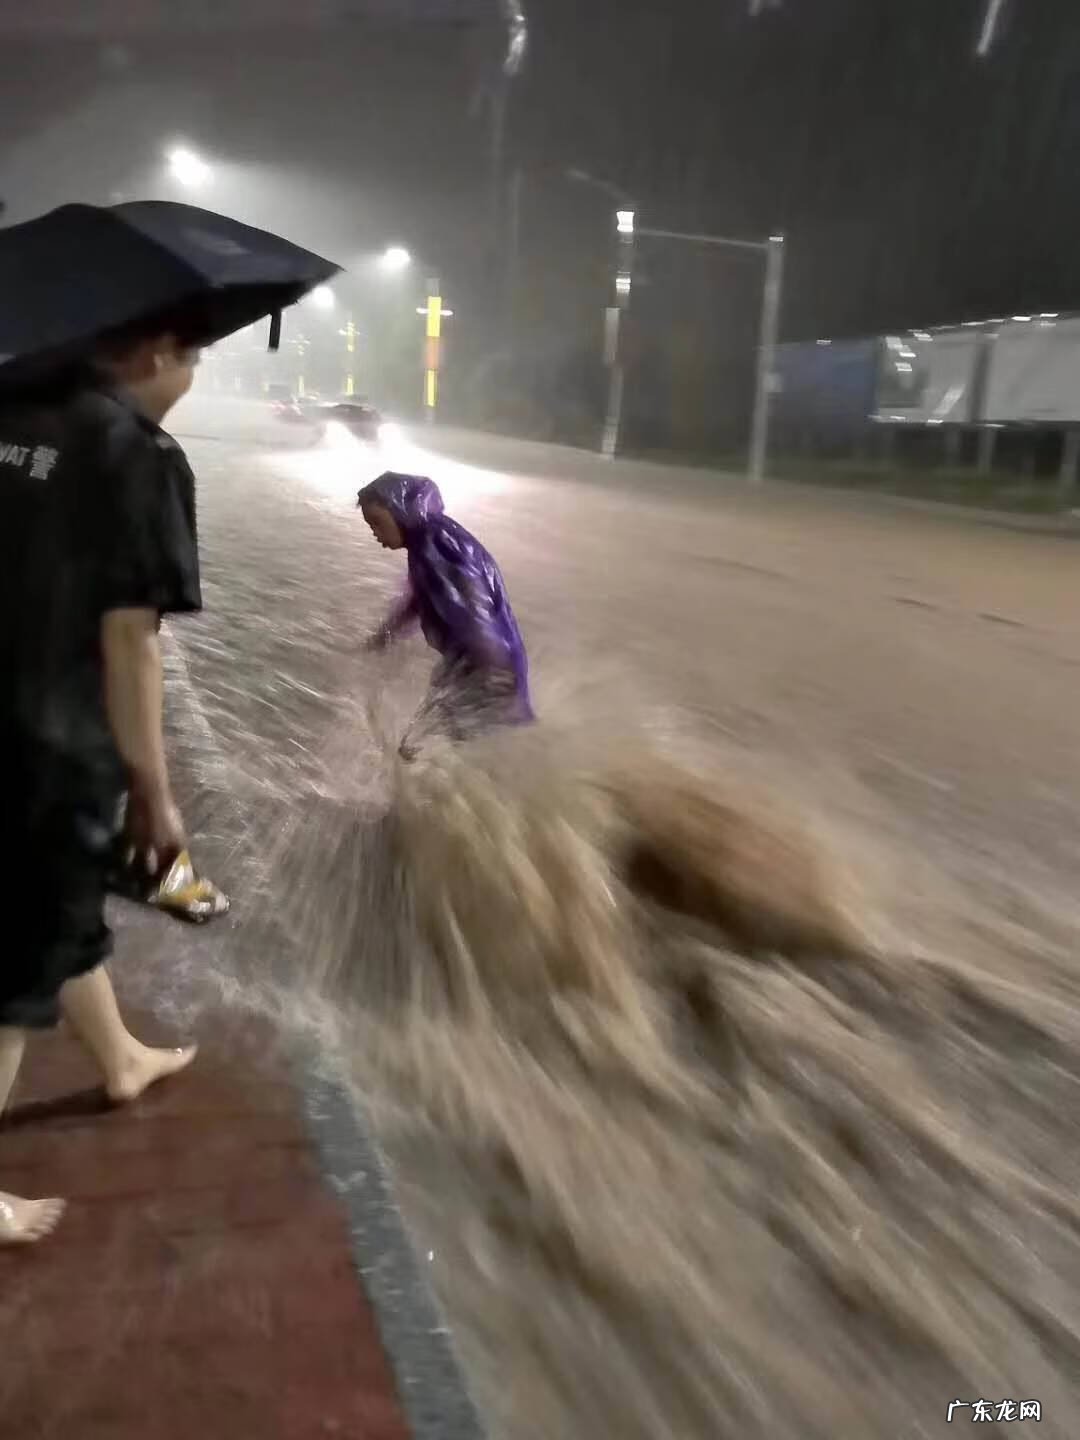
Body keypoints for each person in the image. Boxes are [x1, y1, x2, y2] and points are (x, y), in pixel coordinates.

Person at [0, 322, 204, 1245]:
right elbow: (132, 641)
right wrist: (152, 792)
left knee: (59, 914)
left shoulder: (10, 412)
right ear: (154, 350)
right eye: (194, 357)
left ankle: (120, 1058)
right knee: (13, 969)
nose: (192, 377)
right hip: (50, 742)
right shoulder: (137, 457)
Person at [357, 472, 532, 758]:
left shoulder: (435, 542)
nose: (375, 533)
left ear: (399, 509)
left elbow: (474, 607)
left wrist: (487, 675)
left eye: (377, 522)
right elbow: (420, 600)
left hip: (484, 665)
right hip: (474, 665)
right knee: (441, 751)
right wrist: (384, 636)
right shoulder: (428, 540)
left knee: (423, 750)